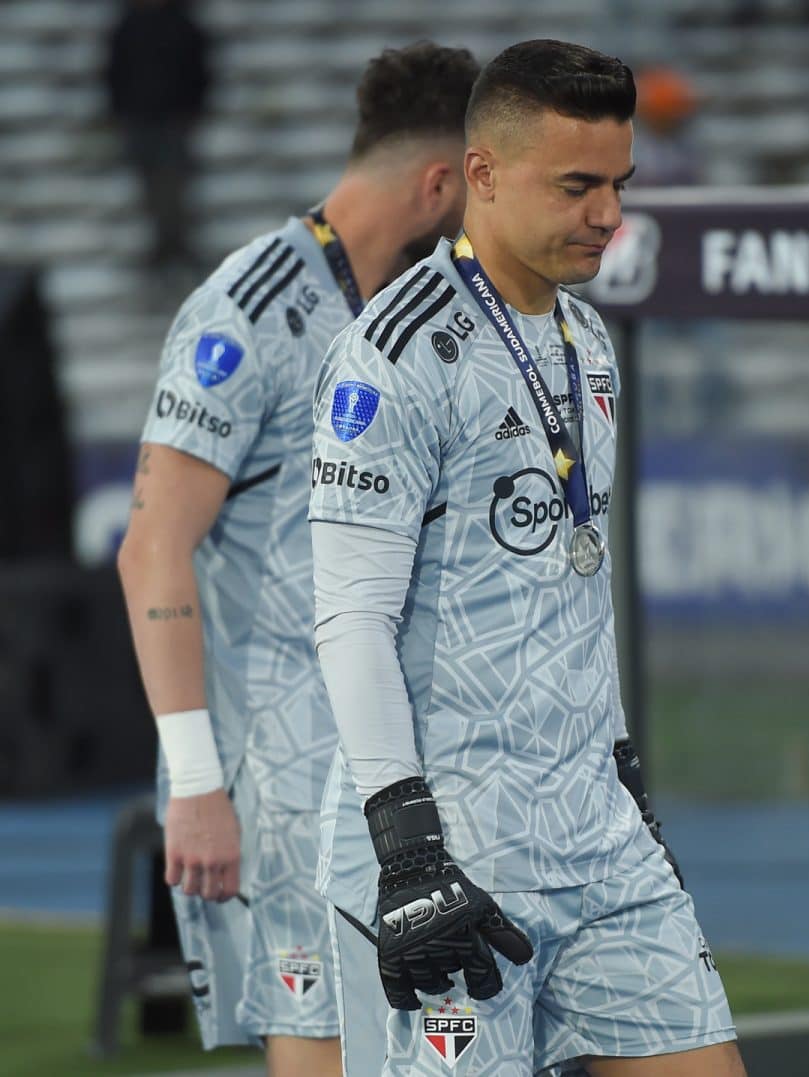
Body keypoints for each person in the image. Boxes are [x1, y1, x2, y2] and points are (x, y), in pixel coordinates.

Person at [308, 38, 744, 1076]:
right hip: (455, 847)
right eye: (578, 185)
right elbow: (351, 618)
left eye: (618, 185)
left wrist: (625, 784)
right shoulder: (392, 354)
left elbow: (571, 589)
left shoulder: (588, 342)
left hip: (596, 839)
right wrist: (406, 846)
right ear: (483, 176)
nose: (608, 214)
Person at [116, 42, 480, 1076]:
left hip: (375, 744)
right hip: (276, 758)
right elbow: (151, 551)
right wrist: (195, 783)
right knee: (319, 1039)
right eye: (480, 183)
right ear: (439, 182)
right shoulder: (247, 310)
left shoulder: (402, 307)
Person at [105, 0, 211, 273]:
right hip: (139, 121)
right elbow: (115, 71)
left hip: (173, 121)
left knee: (173, 184)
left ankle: (174, 245)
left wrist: (192, 110)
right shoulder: (128, 25)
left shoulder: (182, 24)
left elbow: (198, 69)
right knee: (150, 186)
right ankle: (163, 245)